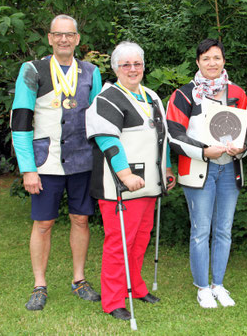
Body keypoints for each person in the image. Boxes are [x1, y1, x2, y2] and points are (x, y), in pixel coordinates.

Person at [11, 14, 102, 311]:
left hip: (82, 162)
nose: (64, 39)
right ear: (50, 38)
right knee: (43, 223)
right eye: (58, 34)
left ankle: (79, 280)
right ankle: (39, 285)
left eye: (70, 34)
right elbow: (21, 122)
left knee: (80, 219)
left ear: (77, 39)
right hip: (45, 163)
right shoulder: (32, 70)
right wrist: (27, 168)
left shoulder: (91, 72)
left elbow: (99, 121)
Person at [86, 41, 176, 320]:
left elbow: (163, 138)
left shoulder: (151, 96)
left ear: (143, 66)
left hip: (149, 184)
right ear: (115, 69)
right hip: (121, 186)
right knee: (119, 243)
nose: (132, 69)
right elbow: (107, 139)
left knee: (140, 240)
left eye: (137, 63)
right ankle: (113, 300)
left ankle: (135, 287)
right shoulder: (107, 98)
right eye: (126, 64)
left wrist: (168, 169)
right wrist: (125, 174)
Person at [166, 38, 247, 308]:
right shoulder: (184, 94)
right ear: (198, 62)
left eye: (217, 58)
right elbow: (173, 136)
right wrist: (203, 151)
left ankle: (219, 285)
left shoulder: (236, 92)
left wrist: (242, 149)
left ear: (223, 60)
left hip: (229, 169)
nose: (212, 63)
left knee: (224, 230)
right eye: (206, 58)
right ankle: (202, 287)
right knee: (201, 231)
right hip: (198, 169)